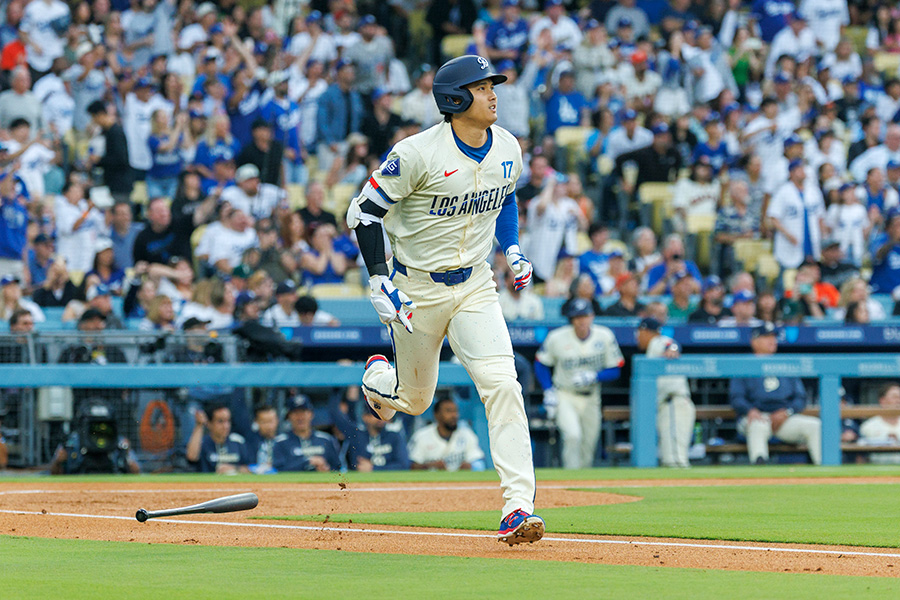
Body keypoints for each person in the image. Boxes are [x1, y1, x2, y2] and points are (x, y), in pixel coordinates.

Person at [346, 55, 543, 545]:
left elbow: (507, 195)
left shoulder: (507, 146)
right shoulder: (414, 153)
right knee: (415, 400)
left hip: (476, 286)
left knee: (503, 384)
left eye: (493, 85)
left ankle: (518, 506)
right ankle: (377, 379)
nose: (493, 94)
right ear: (455, 100)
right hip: (416, 289)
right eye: (481, 87)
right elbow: (364, 213)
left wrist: (513, 247)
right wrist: (377, 280)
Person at [534, 298, 623, 469]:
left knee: (589, 444)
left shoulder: (604, 335)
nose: (581, 321)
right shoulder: (557, 337)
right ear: (571, 319)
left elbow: (616, 369)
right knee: (572, 435)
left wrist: (594, 376)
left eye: (585, 316)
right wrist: (548, 390)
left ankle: (582, 483)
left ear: (592, 316)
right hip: (566, 394)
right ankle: (570, 477)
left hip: (591, 396)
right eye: (577, 317)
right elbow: (541, 363)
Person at [729, 322, 822, 465]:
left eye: (774, 337)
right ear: (754, 341)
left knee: (814, 425)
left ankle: (824, 469)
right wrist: (749, 411)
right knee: (757, 425)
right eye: (767, 337)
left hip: (784, 417)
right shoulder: (744, 364)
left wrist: (788, 412)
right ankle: (760, 468)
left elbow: (800, 397)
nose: (772, 340)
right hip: (756, 416)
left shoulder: (785, 364)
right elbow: (736, 397)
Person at [636, 317, 695, 467]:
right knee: (670, 459)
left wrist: (672, 350)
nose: (637, 337)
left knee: (675, 459)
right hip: (667, 406)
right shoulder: (652, 348)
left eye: (639, 333)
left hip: (674, 404)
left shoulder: (658, 341)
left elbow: (670, 345)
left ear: (646, 331)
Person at [49, 399, 140, 475]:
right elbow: (53, 473)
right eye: (94, 426)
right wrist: (58, 462)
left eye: (104, 426)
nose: (99, 430)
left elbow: (137, 471)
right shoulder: (72, 442)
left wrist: (126, 455)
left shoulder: (119, 442)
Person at [407, 397, 486, 471]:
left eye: (455, 411)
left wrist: (471, 466)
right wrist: (430, 466)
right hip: (431, 482)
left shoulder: (467, 434)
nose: (454, 415)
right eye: (448, 411)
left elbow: (480, 463)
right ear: (437, 415)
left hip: (460, 482)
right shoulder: (421, 436)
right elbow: (412, 465)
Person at [273, 394, 340, 472]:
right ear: (289, 416)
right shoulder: (280, 442)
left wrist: (327, 469)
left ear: (311, 414)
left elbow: (338, 468)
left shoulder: (326, 439)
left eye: (303, 412)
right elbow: (278, 470)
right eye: (295, 413)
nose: (300, 417)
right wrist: (307, 462)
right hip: (293, 483)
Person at [186, 403, 250, 474]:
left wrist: (234, 468)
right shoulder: (202, 442)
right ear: (209, 424)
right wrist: (199, 425)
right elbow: (191, 457)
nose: (226, 426)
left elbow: (250, 469)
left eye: (228, 421)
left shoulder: (238, 441)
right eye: (220, 421)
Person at [859, 383, 900, 464]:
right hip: (876, 471)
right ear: (882, 401)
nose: (898, 400)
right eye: (895, 397)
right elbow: (860, 456)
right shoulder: (869, 426)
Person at [246, 405, 279, 474]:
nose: (268, 426)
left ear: (277, 421)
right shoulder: (249, 442)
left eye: (271, 421)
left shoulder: (284, 441)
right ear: (256, 422)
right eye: (264, 422)